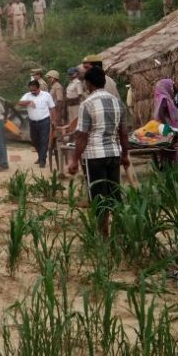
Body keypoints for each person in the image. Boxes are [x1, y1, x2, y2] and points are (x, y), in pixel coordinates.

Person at [66, 67, 130, 237]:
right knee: (114, 195)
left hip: (95, 156)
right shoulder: (118, 102)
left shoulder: (87, 104)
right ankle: (120, 232)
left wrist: (74, 160)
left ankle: (103, 236)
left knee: (99, 197)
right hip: (114, 155)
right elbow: (123, 133)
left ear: (88, 84)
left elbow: (82, 136)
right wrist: (125, 155)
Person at [17, 80, 55, 168]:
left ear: (38, 88)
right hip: (33, 122)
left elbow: (52, 108)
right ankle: (42, 156)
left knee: (43, 140)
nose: (33, 92)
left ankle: (42, 160)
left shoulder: (46, 95)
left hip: (44, 121)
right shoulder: (27, 95)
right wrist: (29, 102)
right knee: (34, 140)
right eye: (31, 90)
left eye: (34, 90)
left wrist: (54, 120)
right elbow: (19, 103)